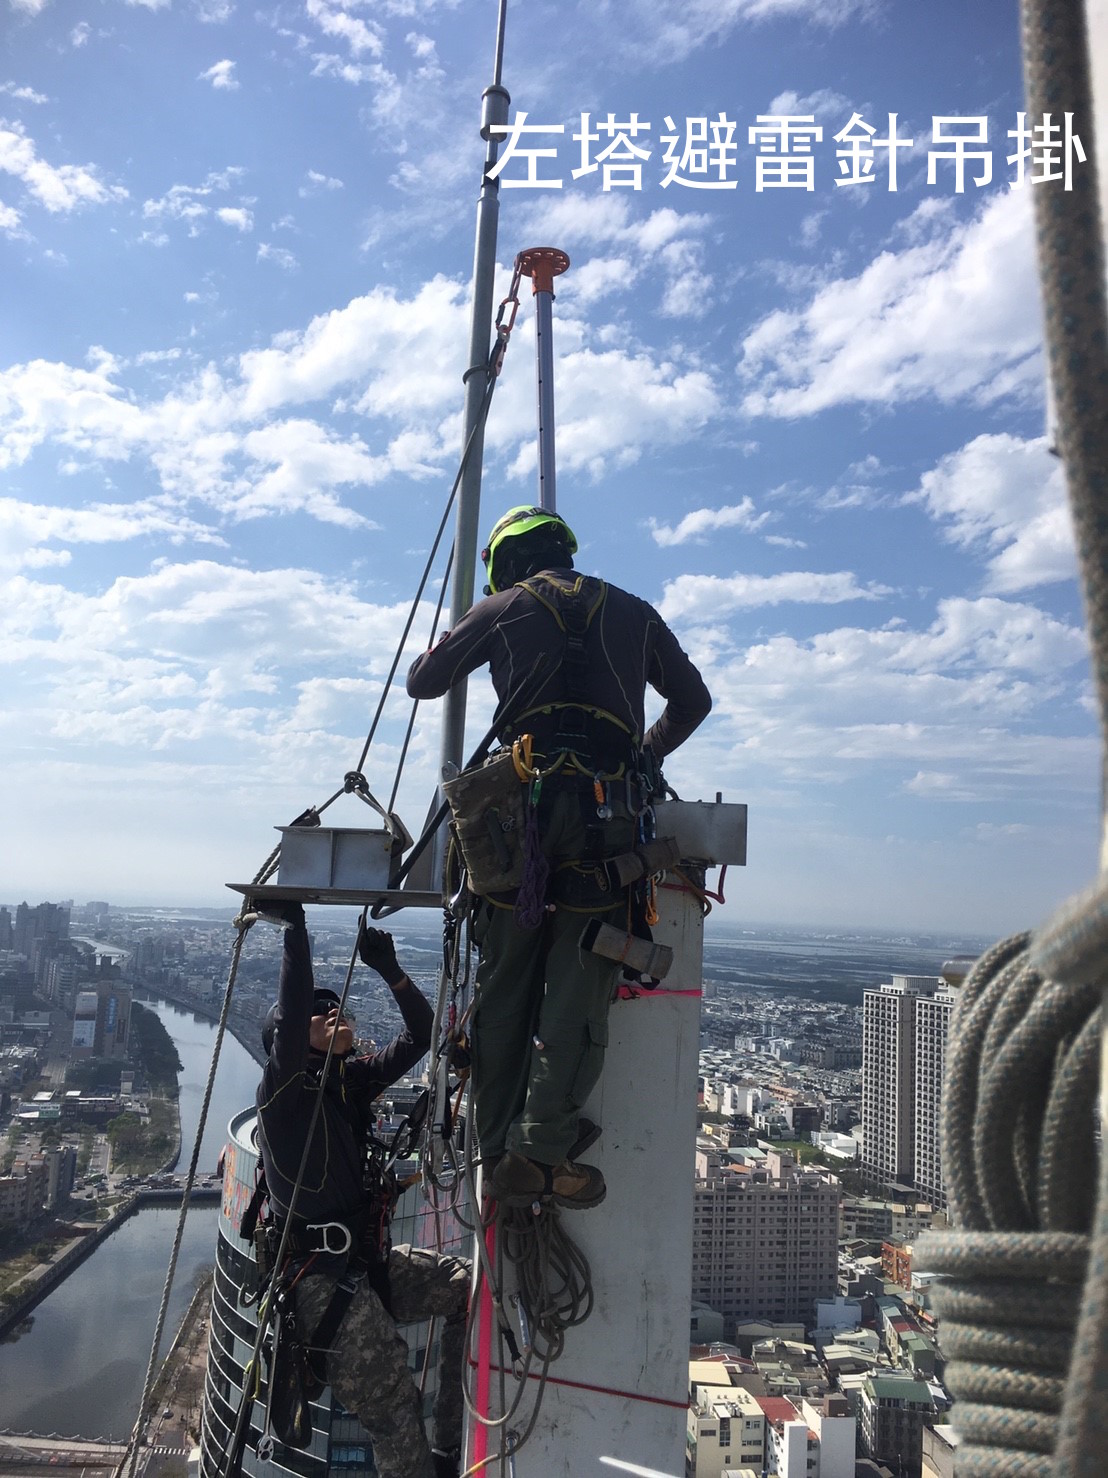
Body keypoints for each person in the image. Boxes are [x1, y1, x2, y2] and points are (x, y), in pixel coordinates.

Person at [407, 505, 711, 1210]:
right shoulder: (635, 611)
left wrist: (455, 631)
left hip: (519, 819)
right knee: (581, 981)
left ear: (508, 562)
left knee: (506, 980)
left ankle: (496, 1144)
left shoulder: (503, 605)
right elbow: (691, 699)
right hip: (608, 819)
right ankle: (539, 1149)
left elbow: (426, 681)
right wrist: (643, 752)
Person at [255, 902, 469, 1478]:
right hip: (321, 1281)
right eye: (323, 1016)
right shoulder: (283, 1098)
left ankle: (451, 1445)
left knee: (465, 1288)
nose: (338, 1014)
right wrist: (295, 930)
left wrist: (391, 971)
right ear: (294, 1041)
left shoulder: (349, 1088)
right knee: (394, 1408)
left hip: (364, 1264)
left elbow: (421, 1035)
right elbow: (296, 1011)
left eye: (339, 1009)